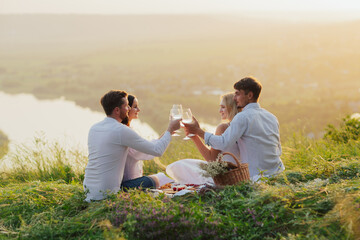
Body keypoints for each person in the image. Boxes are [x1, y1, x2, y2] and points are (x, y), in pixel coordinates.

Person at [83, 90, 180, 202]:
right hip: (107, 194)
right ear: (117, 110)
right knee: (158, 179)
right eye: (126, 106)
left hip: (89, 191)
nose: (129, 109)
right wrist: (170, 129)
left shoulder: (94, 128)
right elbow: (157, 150)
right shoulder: (121, 130)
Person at [184, 76, 285, 181]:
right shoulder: (272, 117)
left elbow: (223, 143)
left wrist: (198, 131)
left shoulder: (242, 117)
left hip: (257, 177)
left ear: (249, 95)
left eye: (237, 94)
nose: (234, 98)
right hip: (278, 172)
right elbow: (278, 149)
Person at [166, 93, 240, 184]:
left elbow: (211, 160)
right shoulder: (240, 126)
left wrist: (195, 136)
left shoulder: (223, 127)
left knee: (179, 165)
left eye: (223, 107)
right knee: (188, 164)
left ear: (232, 108)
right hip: (239, 173)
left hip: (225, 176)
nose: (219, 110)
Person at [121, 94, 170, 183]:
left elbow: (149, 146)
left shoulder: (129, 130)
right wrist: (170, 131)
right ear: (127, 109)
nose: (139, 110)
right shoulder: (127, 133)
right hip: (130, 183)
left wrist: (168, 132)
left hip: (134, 179)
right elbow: (148, 152)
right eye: (135, 107)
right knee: (162, 178)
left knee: (163, 177)